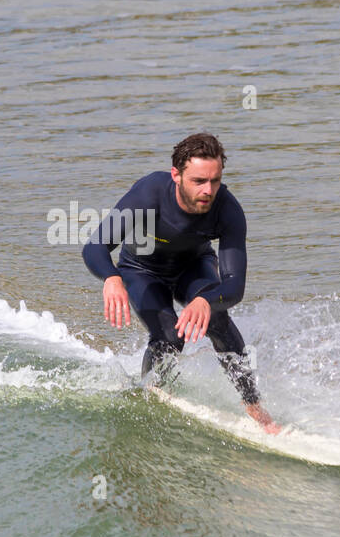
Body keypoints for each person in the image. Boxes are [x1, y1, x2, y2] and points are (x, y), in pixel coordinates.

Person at [82, 133, 280, 434]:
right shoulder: (149, 193)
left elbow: (234, 285)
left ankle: (253, 405)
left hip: (193, 266)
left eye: (215, 181)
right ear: (177, 175)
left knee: (218, 318)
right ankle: (154, 391)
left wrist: (205, 300)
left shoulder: (228, 210)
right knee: (169, 336)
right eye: (199, 181)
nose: (208, 190)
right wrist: (111, 277)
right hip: (141, 269)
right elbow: (95, 246)